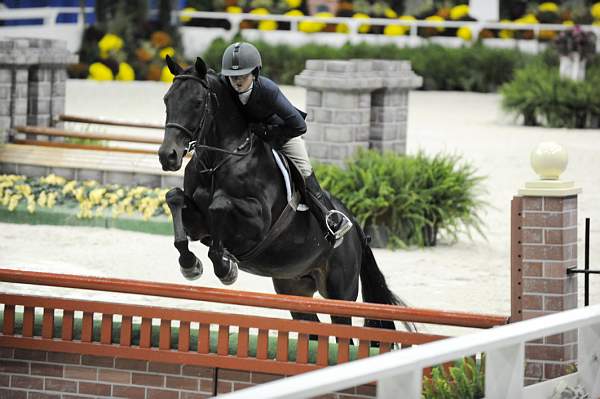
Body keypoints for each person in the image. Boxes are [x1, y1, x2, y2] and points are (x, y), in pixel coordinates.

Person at [219, 41, 352, 248]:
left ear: (254, 73)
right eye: (233, 77)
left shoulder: (268, 90)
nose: (236, 82)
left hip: (283, 133)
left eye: (242, 77)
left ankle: (330, 219)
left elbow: (299, 126)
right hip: (249, 136)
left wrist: (268, 133)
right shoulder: (225, 84)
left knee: (304, 169)